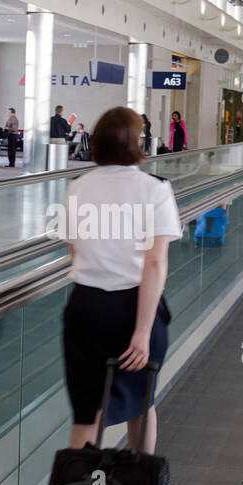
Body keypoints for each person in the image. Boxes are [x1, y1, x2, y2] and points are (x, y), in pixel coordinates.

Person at [58, 107, 181, 455]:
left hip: (86, 308)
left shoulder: (78, 187)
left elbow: (73, 249)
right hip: (135, 307)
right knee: (141, 404)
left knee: (86, 414)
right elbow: (155, 263)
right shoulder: (155, 189)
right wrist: (142, 331)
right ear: (137, 143)